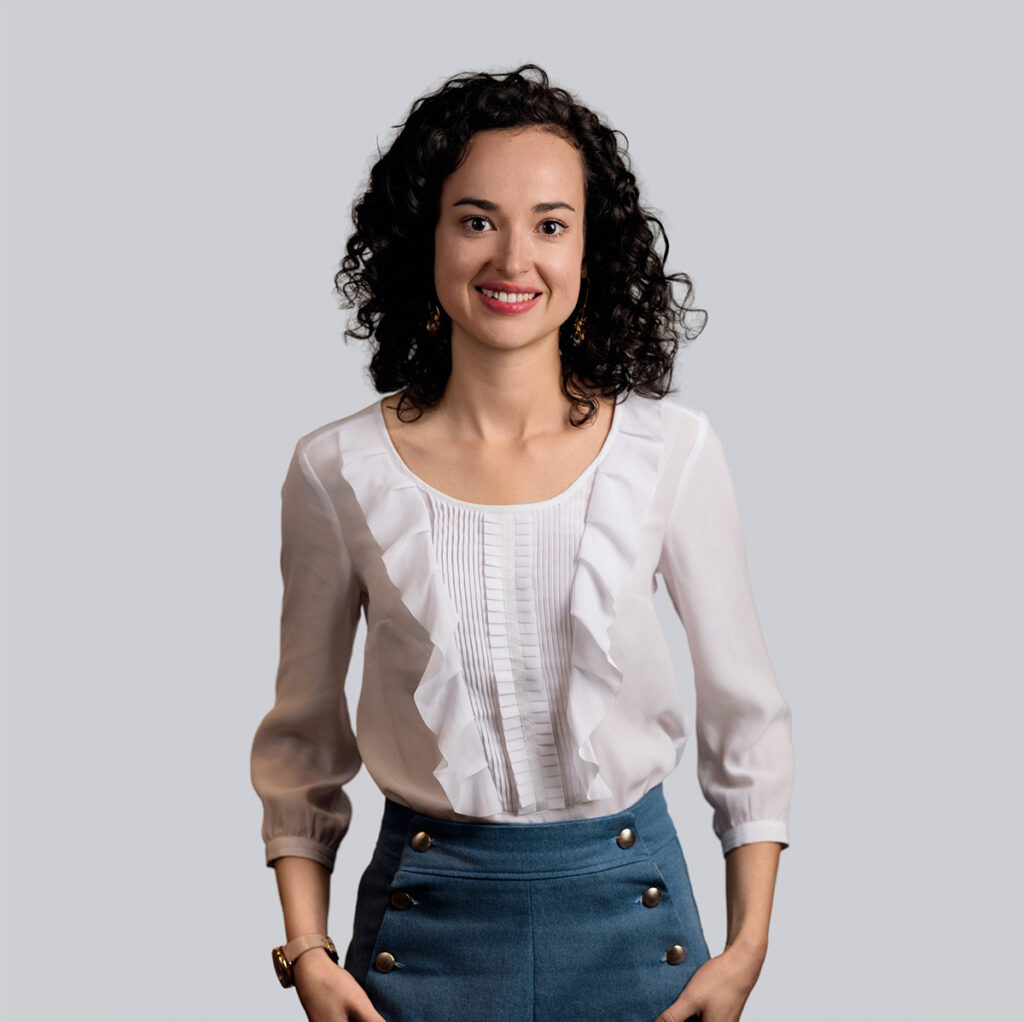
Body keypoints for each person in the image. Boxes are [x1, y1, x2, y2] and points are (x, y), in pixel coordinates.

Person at [250, 64, 795, 1022]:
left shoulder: (672, 452)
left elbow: (745, 717)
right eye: (476, 221)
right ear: (423, 235)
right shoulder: (337, 471)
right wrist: (307, 951)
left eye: (550, 225)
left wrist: (747, 949)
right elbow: (301, 739)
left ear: (591, 248)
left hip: (640, 929)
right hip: (423, 937)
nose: (513, 259)